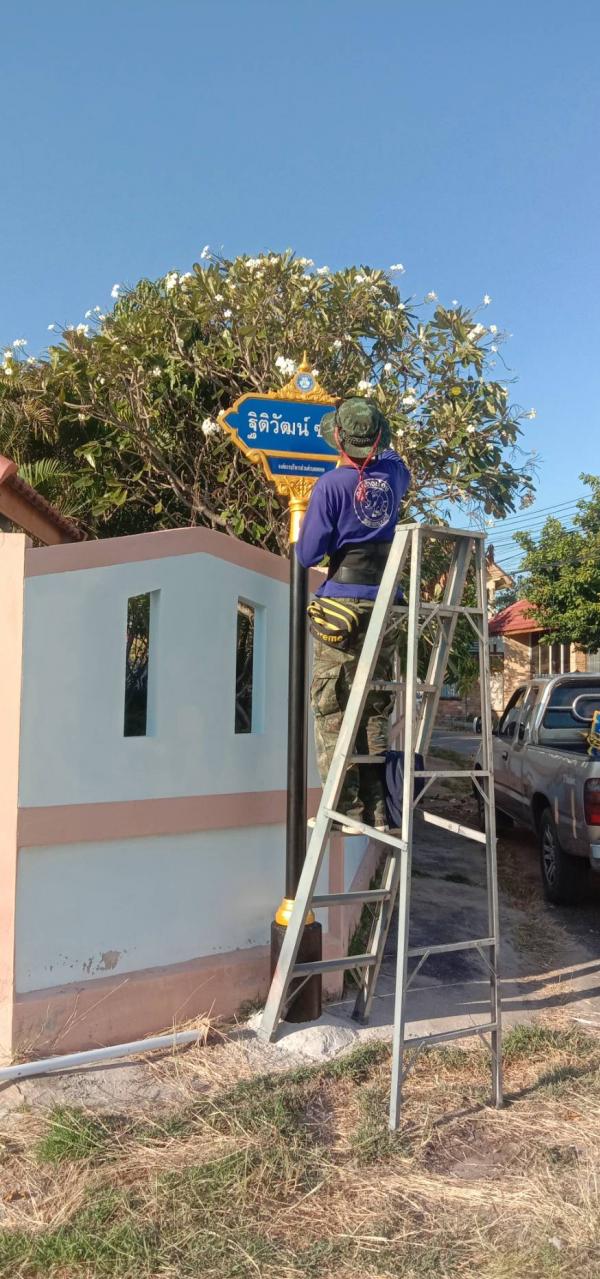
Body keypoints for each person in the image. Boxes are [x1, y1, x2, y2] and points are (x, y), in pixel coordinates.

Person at [296, 397, 411, 832]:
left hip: (342, 604)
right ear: (378, 439)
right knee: (374, 706)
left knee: (332, 705)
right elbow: (394, 458)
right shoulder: (394, 475)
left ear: (339, 440)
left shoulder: (330, 485)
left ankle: (344, 809)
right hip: (387, 603)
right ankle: (378, 810)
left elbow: (308, 555)